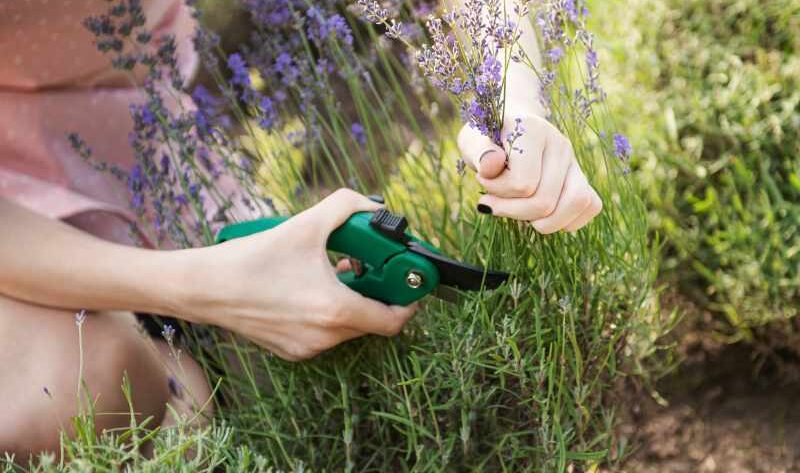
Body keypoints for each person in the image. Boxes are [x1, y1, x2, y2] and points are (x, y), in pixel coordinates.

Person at [0, 0, 601, 460]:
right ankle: (178, 383)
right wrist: (201, 288)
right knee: (59, 394)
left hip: (151, 142)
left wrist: (516, 105)